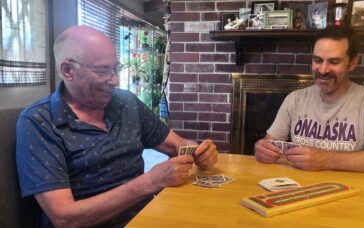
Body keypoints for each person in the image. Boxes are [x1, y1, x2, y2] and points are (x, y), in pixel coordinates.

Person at [16, 25, 218, 228]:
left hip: (146, 217)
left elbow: (177, 145)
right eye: (102, 70)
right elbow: (65, 218)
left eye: (116, 68)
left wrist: (200, 152)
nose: (115, 80)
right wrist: (150, 182)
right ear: (68, 71)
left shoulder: (127, 102)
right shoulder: (38, 122)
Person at [254, 26, 364, 173]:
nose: (323, 70)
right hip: (298, 189)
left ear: (353, 62)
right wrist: (261, 149)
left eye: (334, 62)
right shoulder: (295, 99)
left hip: (350, 191)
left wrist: (327, 160)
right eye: (318, 60)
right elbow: (268, 143)